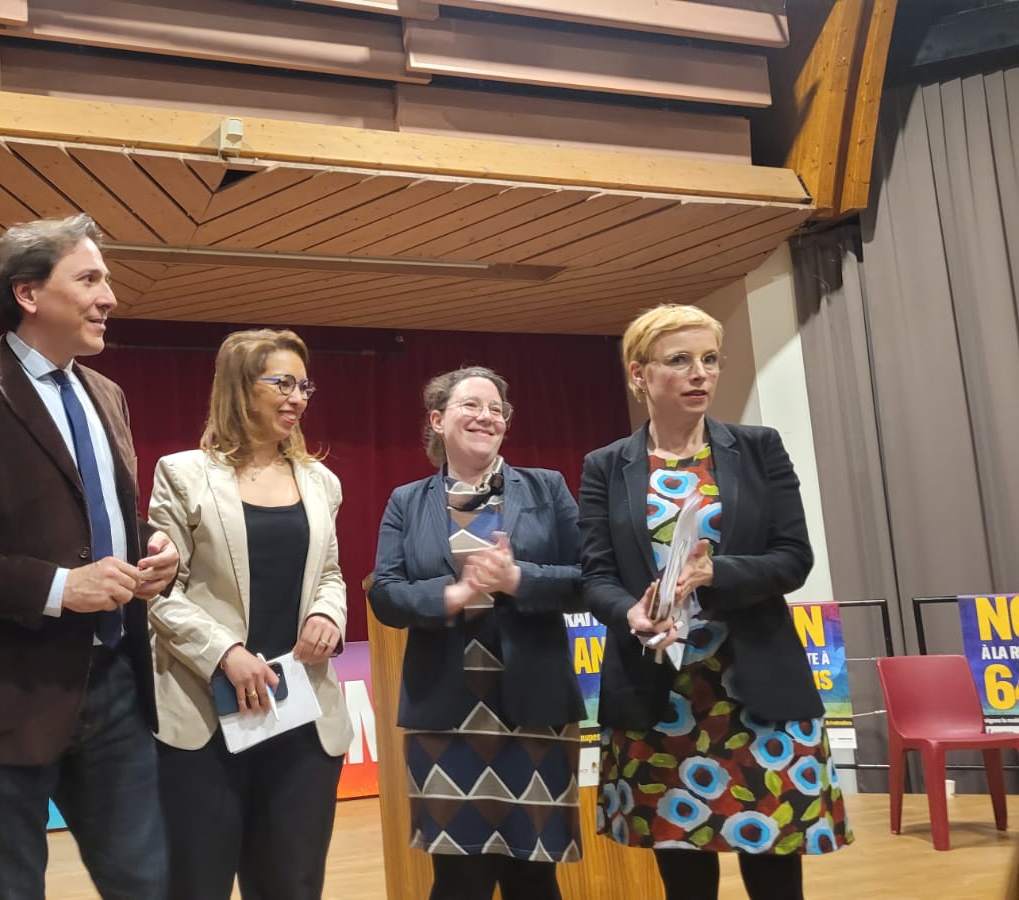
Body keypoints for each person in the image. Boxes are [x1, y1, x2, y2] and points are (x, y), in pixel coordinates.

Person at [0, 213, 180, 900]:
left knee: (148, 885)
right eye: (90, 279)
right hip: (2, 699)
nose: (109, 296)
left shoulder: (106, 394)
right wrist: (58, 587)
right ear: (28, 294)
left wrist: (151, 549)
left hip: (115, 687)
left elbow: (88, 518)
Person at [577, 304, 852, 900]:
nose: (699, 372)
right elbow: (595, 574)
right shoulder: (606, 466)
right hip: (660, 694)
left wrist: (715, 571)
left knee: (774, 865)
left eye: (709, 359)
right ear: (638, 374)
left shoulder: (758, 449)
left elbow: (793, 559)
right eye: (679, 360)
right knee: (685, 875)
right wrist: (630, 612)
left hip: (756, 692)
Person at [147, 328, 352, 900]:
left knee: (292, 885)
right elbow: (159, 590)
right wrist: (224, 654)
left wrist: (328, 617)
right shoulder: (182, 473)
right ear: (240, 387)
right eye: (281, 383)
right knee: (196, 884)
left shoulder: (321, 481)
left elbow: (330, 575)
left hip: (301, 721)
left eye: (303, 385)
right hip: (205, 720)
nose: (297, 397)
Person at [369, 366, 586, 900]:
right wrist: (451, 595)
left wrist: (518, 578)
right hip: (446, 713)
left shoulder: (545, 487)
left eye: (496, 410)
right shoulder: (406, 500)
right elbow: (385, 592)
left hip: (533, 708)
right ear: (438, 420)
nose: (486, 416)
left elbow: (588, 579)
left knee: (534, 872)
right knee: (457, 877)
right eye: (471, 405)